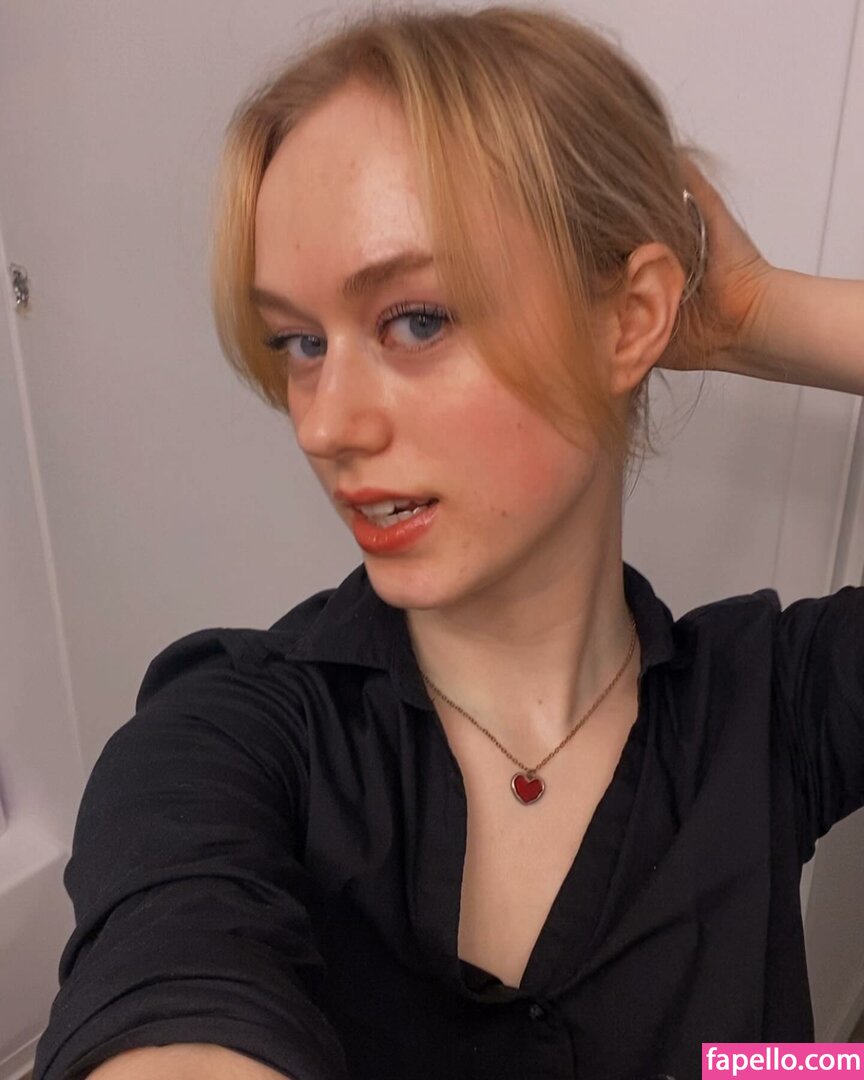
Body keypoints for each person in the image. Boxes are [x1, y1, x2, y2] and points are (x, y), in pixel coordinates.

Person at [32, 5, 864, 1080]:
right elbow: (167, 978)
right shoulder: (228, 740)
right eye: (299, 341)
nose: (324, 425)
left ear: (628, 320)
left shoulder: (775, 707)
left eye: (415, 320)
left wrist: (754, 311)